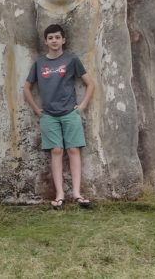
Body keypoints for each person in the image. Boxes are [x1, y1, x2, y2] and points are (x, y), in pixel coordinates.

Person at [23, 24, 95, 209]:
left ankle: (77, 194)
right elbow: (26, 88)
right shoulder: (39, 63)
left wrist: (82, 106)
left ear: (63, 40)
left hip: (71, 113)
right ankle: (60, 195)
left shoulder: (71, 60)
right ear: (46, 41)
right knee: (56, 151)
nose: (54, 40)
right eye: (50, 38)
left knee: (73, 150)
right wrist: (36, 109)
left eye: (57, 37)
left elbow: (90, 84)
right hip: (49, 116)